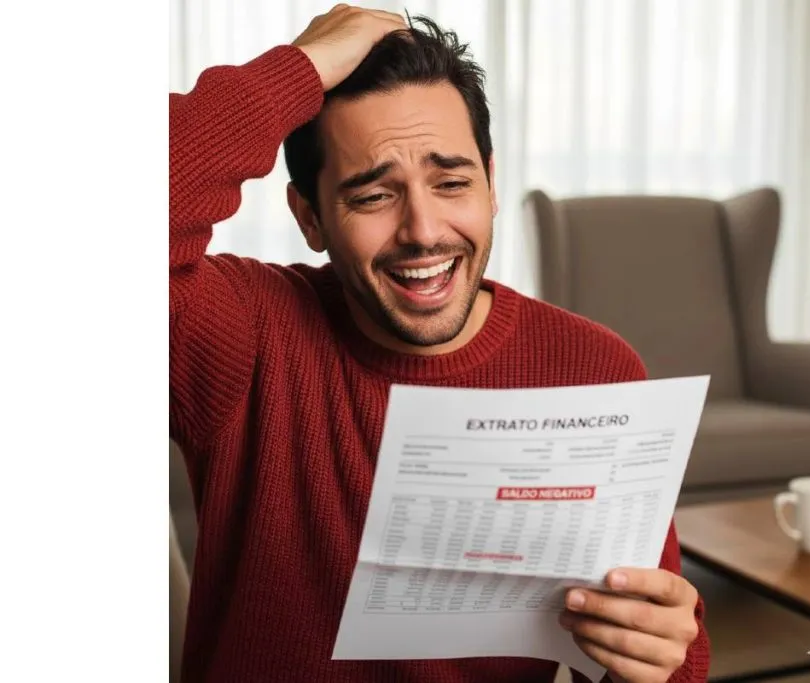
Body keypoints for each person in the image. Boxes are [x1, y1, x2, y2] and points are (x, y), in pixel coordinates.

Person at [170, 5, 710, 682]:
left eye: (452, 183)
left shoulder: (597, 369)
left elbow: (666, 656)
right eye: (373, 195)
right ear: (310, 216)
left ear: (490, 182)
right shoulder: (238, 335)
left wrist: (661, 654)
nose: (424, 230)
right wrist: (299, 69)